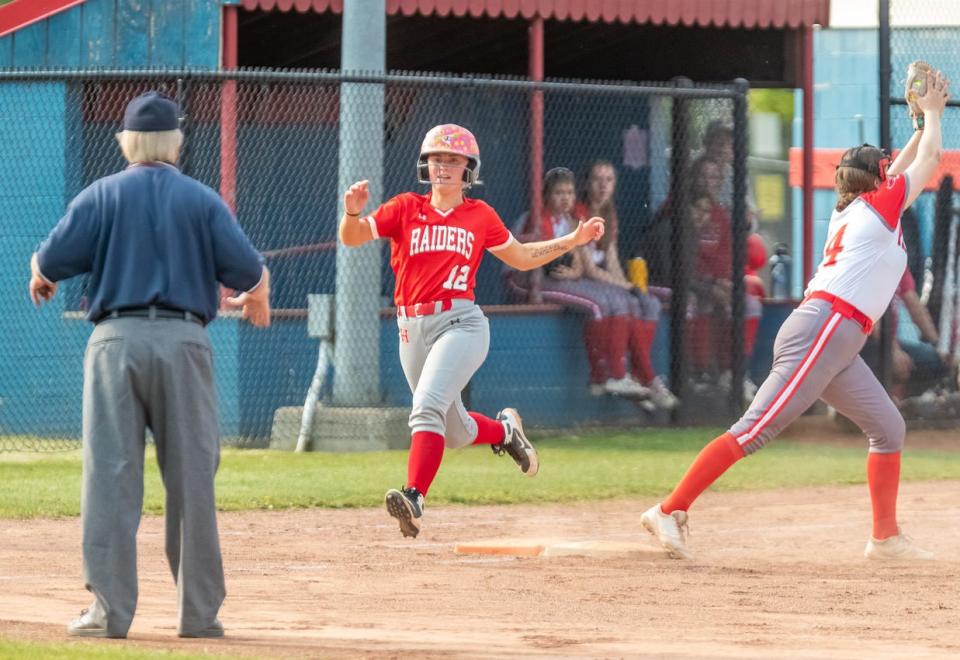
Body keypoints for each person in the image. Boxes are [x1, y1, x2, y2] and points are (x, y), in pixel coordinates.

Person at [641, 69, 949, 561]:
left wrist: (916, 123)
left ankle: (885, 539)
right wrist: (933, 116)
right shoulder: (877, 205)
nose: (893, 169)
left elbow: (911, 158)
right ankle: (669, 509)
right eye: (885, 167)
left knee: (888, 428)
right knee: (754, 429)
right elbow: (929, 159)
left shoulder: (864, 205)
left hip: (838, 338)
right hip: (824, 329)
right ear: (876, 178)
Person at [29, 91, 271, 638]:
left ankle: (108, 613)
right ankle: (199, 615)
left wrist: (41, 275)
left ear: (126, 142)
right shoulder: (203, 199)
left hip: (116, 341)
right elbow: (250, 271)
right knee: (192, 479)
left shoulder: (102, 194)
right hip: (185, 341)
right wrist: (257, 296)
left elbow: (49, 259)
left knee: (111, 477)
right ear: (176, 143)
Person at [338, 124, 604, 538]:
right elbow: (352, 237)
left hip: (462, 323)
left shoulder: (480, 214)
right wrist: (352, 211)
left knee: (425, 407)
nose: (443, 166)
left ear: (468, 170)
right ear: (426, 165)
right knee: (454, 432)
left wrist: (572, 239)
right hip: (411, 326)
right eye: (436, 158)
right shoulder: (405, 207)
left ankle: (414, 496)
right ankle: (506, 432)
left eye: (453, 160)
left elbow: (520, 256)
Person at [505, 167, 649, 399]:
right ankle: (599, 376)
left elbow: (578, 262)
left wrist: (574, 272)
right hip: (523, 278)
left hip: (555, 277)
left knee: (610, 299)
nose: (565, 198)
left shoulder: (571, 221)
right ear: (547, 195)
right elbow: (540, 261)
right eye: (558, 193)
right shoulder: (537, 218)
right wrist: (570, 269)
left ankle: (616, 375)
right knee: (596, 305)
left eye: (570, 193)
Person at [575, 160, 677, 408]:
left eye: (609, 180)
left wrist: (629, 286)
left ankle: (639, 375)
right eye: (597, 179)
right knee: (624, 299)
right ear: (587, 184)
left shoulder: (609, 213)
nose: (603, 186)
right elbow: (589, 269)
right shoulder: (578, 213)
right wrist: (626, 288)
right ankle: (635, 376)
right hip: (582, 279)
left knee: (649, 304)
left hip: (601, 280)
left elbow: (611, 261)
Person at [685, 156, 762, 398]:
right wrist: (710, 285)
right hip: (689, 284)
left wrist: (724, 282)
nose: (711, 182)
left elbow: (727, 256)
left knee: (749, 303)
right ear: (694, 178)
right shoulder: (681, 208)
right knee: (697, 304)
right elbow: (683, 261)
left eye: (716, 177)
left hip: (715, 283)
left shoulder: (720, 214)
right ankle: (699, 372)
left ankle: (733, 372)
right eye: (705, 176)